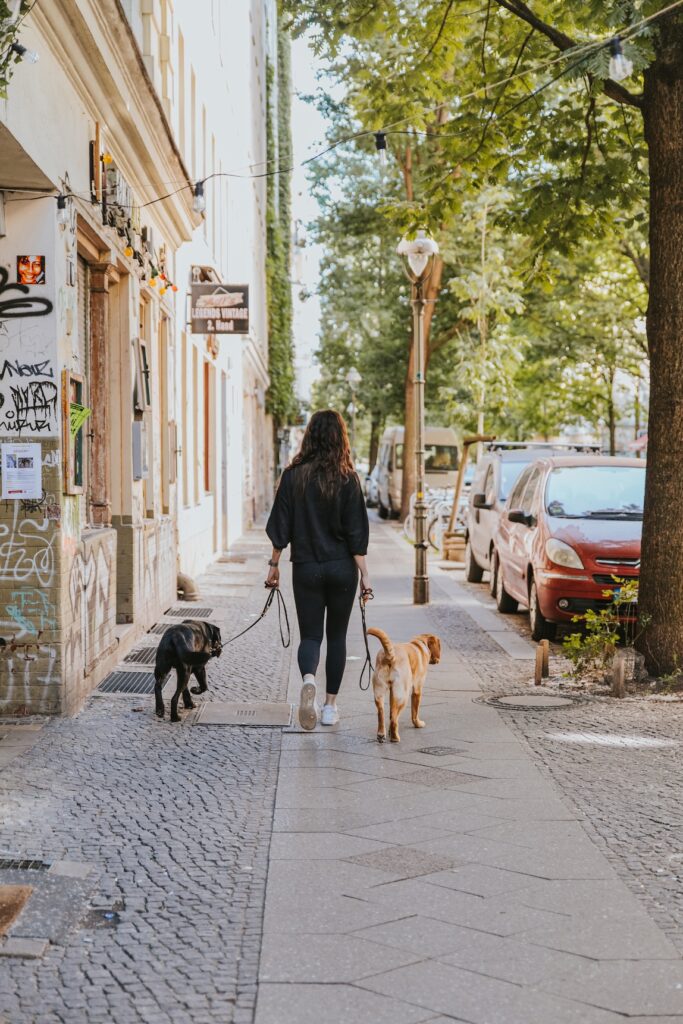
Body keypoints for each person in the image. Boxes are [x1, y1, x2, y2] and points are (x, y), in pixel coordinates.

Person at [265, 409, 371, 730]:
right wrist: (365, 576)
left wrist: (274, 565)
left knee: (310, 636)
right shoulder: (348, 477)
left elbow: (280, 526)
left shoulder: (293, 476)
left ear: (309, 436)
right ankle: (329, 707)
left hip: (306, 567)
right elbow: (357, 535)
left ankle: (308, 678)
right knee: (336, 637)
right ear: (341, 438)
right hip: (342, 569)